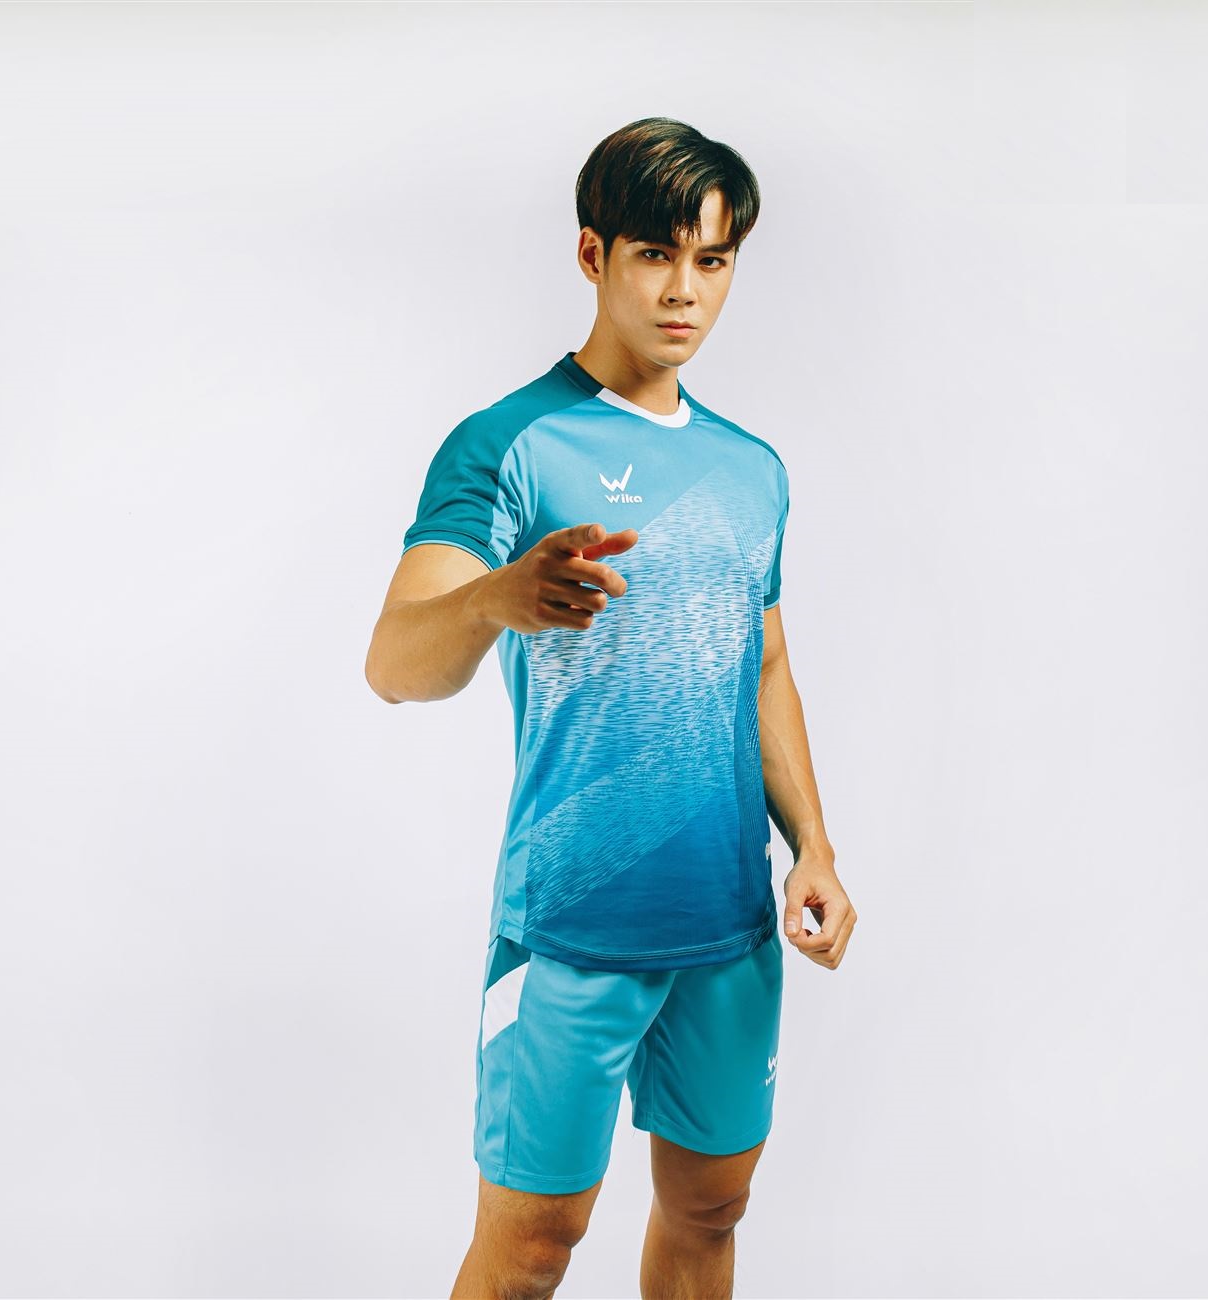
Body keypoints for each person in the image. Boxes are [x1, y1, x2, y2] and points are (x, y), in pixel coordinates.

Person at [365, 116, 856, 1300]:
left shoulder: (752, 468)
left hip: (728, 926)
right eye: (654, 255)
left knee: (711, 1205)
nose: (685, 291)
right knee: (533, 1247)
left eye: (712, 259)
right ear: (592, 254)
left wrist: (814, 846)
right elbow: (393, 662)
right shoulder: (508, 444)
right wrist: (496, 596)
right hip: (570, 926)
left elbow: (763, 667)